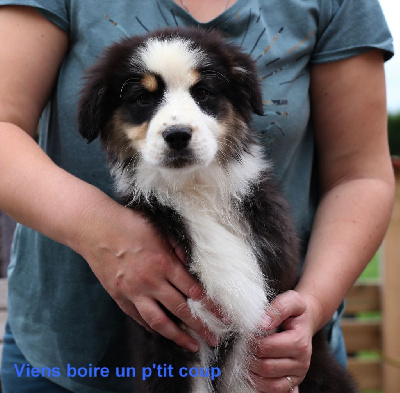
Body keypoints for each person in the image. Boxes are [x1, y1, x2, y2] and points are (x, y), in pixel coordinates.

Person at [0, 0, 394, 392]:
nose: (176, 124)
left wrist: (313, 306)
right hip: (63, 358)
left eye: (202, 91)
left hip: (290, 361)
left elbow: (360, 175)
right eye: (143, 97)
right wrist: (103, 232)